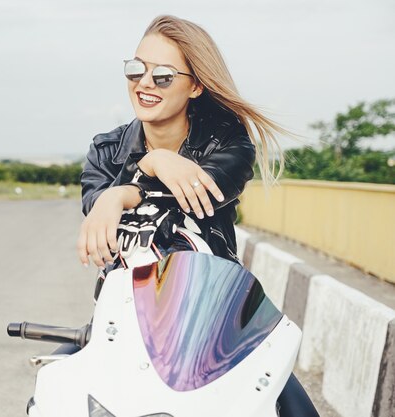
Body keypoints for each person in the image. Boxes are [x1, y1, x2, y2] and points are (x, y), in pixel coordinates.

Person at [76, 14, 320, 417]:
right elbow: (96, 207)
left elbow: (199, 194)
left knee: (289, 398)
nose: (144, 83)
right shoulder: (106, 150)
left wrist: (145, 171)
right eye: (136, 68)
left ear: (196, 85)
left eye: (164, 75)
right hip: (125, 319)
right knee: (51, 389)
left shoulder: (227, 140)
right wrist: (123, 188)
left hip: (212, 320)